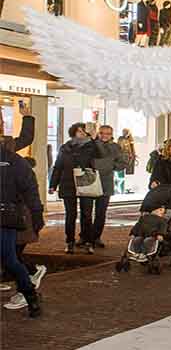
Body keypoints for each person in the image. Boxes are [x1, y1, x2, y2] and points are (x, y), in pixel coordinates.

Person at [0, 136, 45, 317]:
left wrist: (36, 214)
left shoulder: (13, 161)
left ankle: (30, 295)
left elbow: (30, 189)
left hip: (5, 216)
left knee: (10, 259)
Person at [49, 122, 100, 254]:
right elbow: (58, 166)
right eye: (79, 131)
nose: (82, 134)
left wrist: (94, 139)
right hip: (67, 183)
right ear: (73, 133)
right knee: (70, 214)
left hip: (86, 181)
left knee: (87, 214)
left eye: (84, 131)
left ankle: (88, 241)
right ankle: (69, 241)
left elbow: (99, 155)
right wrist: (53, 184)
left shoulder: (91, 146)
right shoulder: (65, 148)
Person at [92, 125, 126, 248]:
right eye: (102, 133)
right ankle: (85, 237)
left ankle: (96, 237)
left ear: (111, 135)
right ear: (98, 133)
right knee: (86, 212)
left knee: (101, 213)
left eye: (107, 133)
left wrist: (110, 165)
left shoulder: (115, 147)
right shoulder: (91, 145)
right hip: (90, 181)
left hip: (106, 183)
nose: (104, 136)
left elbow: (122, 163)